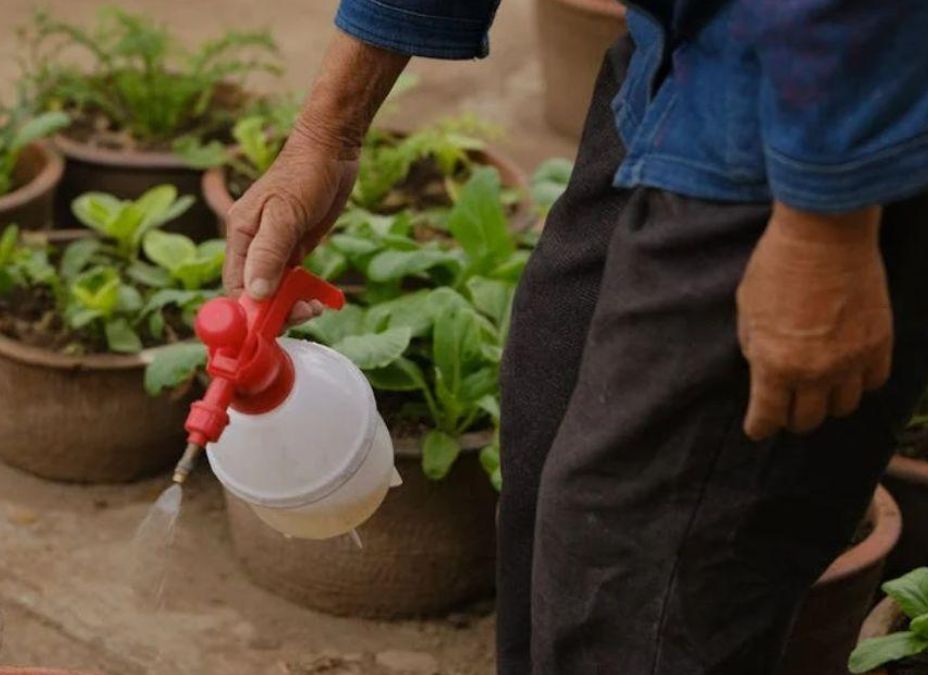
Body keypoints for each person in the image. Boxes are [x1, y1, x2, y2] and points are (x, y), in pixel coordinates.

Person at [221, 1, 928, 673]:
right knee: (548, 414)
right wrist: (328, 130)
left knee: (641, 574)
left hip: (841, 101)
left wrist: (825, 221)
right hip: (681, 50)